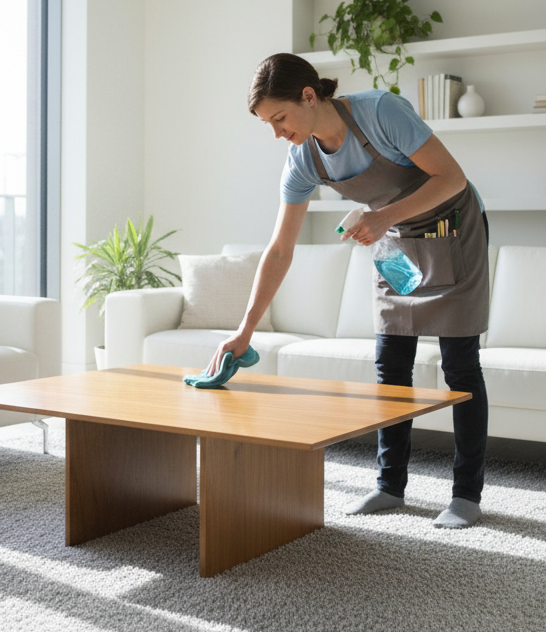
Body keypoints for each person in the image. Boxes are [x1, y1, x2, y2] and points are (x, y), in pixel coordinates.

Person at [209, 53, 491, 528]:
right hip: (397, 241)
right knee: (391, 363)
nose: (278, 132)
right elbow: (279, 250)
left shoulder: (381, 112)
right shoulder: (302, 159)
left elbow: (452, 177)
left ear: (309, 95)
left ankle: (466, 495)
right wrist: (245, 330)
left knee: (459, 365)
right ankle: (389, 486)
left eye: (280, 118)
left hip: (452, 228)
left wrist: (381, 217)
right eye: (267, 125)